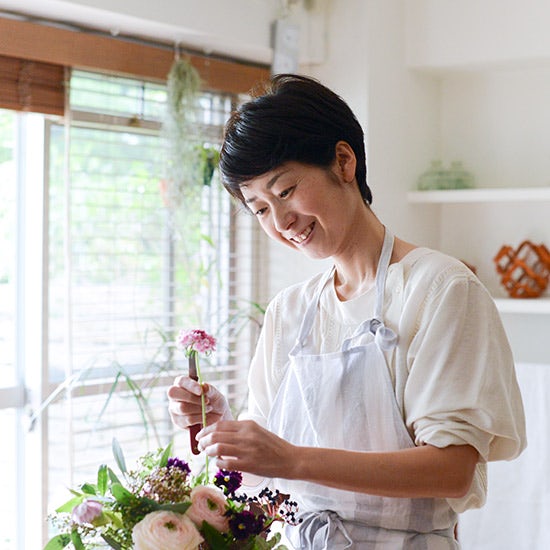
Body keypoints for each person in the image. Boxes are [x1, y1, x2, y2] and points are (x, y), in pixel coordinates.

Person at [167, 74, 526, 549]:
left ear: (343, 161)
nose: (281, 222)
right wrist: (221, 430)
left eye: (286, 190)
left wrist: (292, 459)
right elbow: (267, 466)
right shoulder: (290, 311)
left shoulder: (440, 289)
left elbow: (451, 469)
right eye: (259, 209)